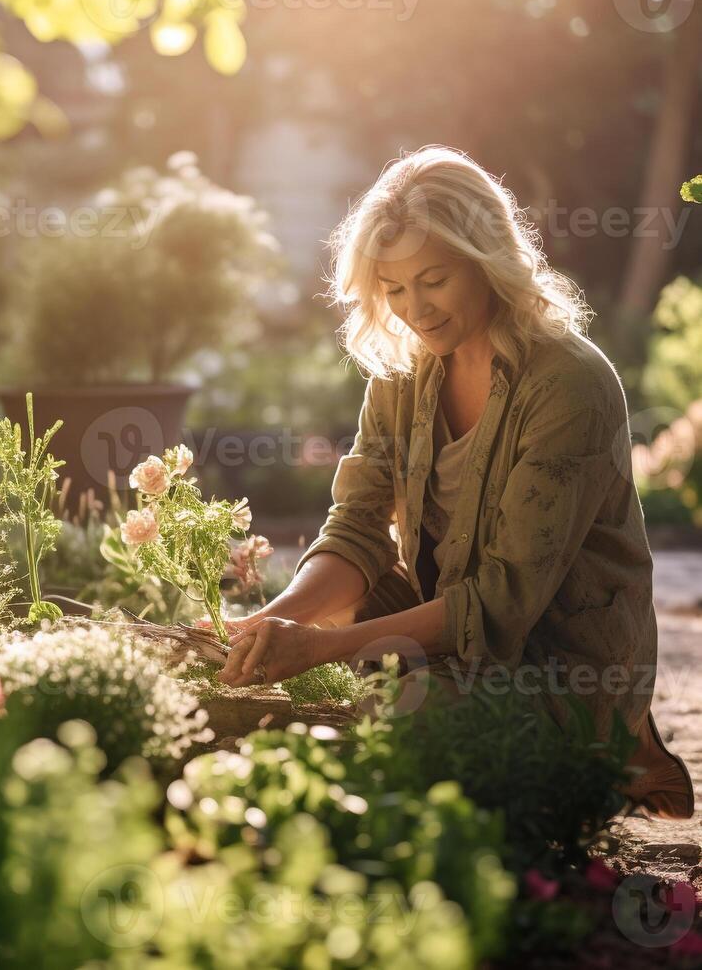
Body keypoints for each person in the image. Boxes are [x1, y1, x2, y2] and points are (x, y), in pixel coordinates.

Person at [200, 145, 694, 820]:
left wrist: (321, 647)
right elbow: (357, 529)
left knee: (397, 718)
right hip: (451, 631)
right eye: (394, 289)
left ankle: (605, 761)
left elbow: (501, 603)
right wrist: (268, 623)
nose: (415, 310)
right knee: (316, 657)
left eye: (433, 279)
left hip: (556, 668)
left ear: (487, 261)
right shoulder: (402, 375)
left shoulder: (570, 384)